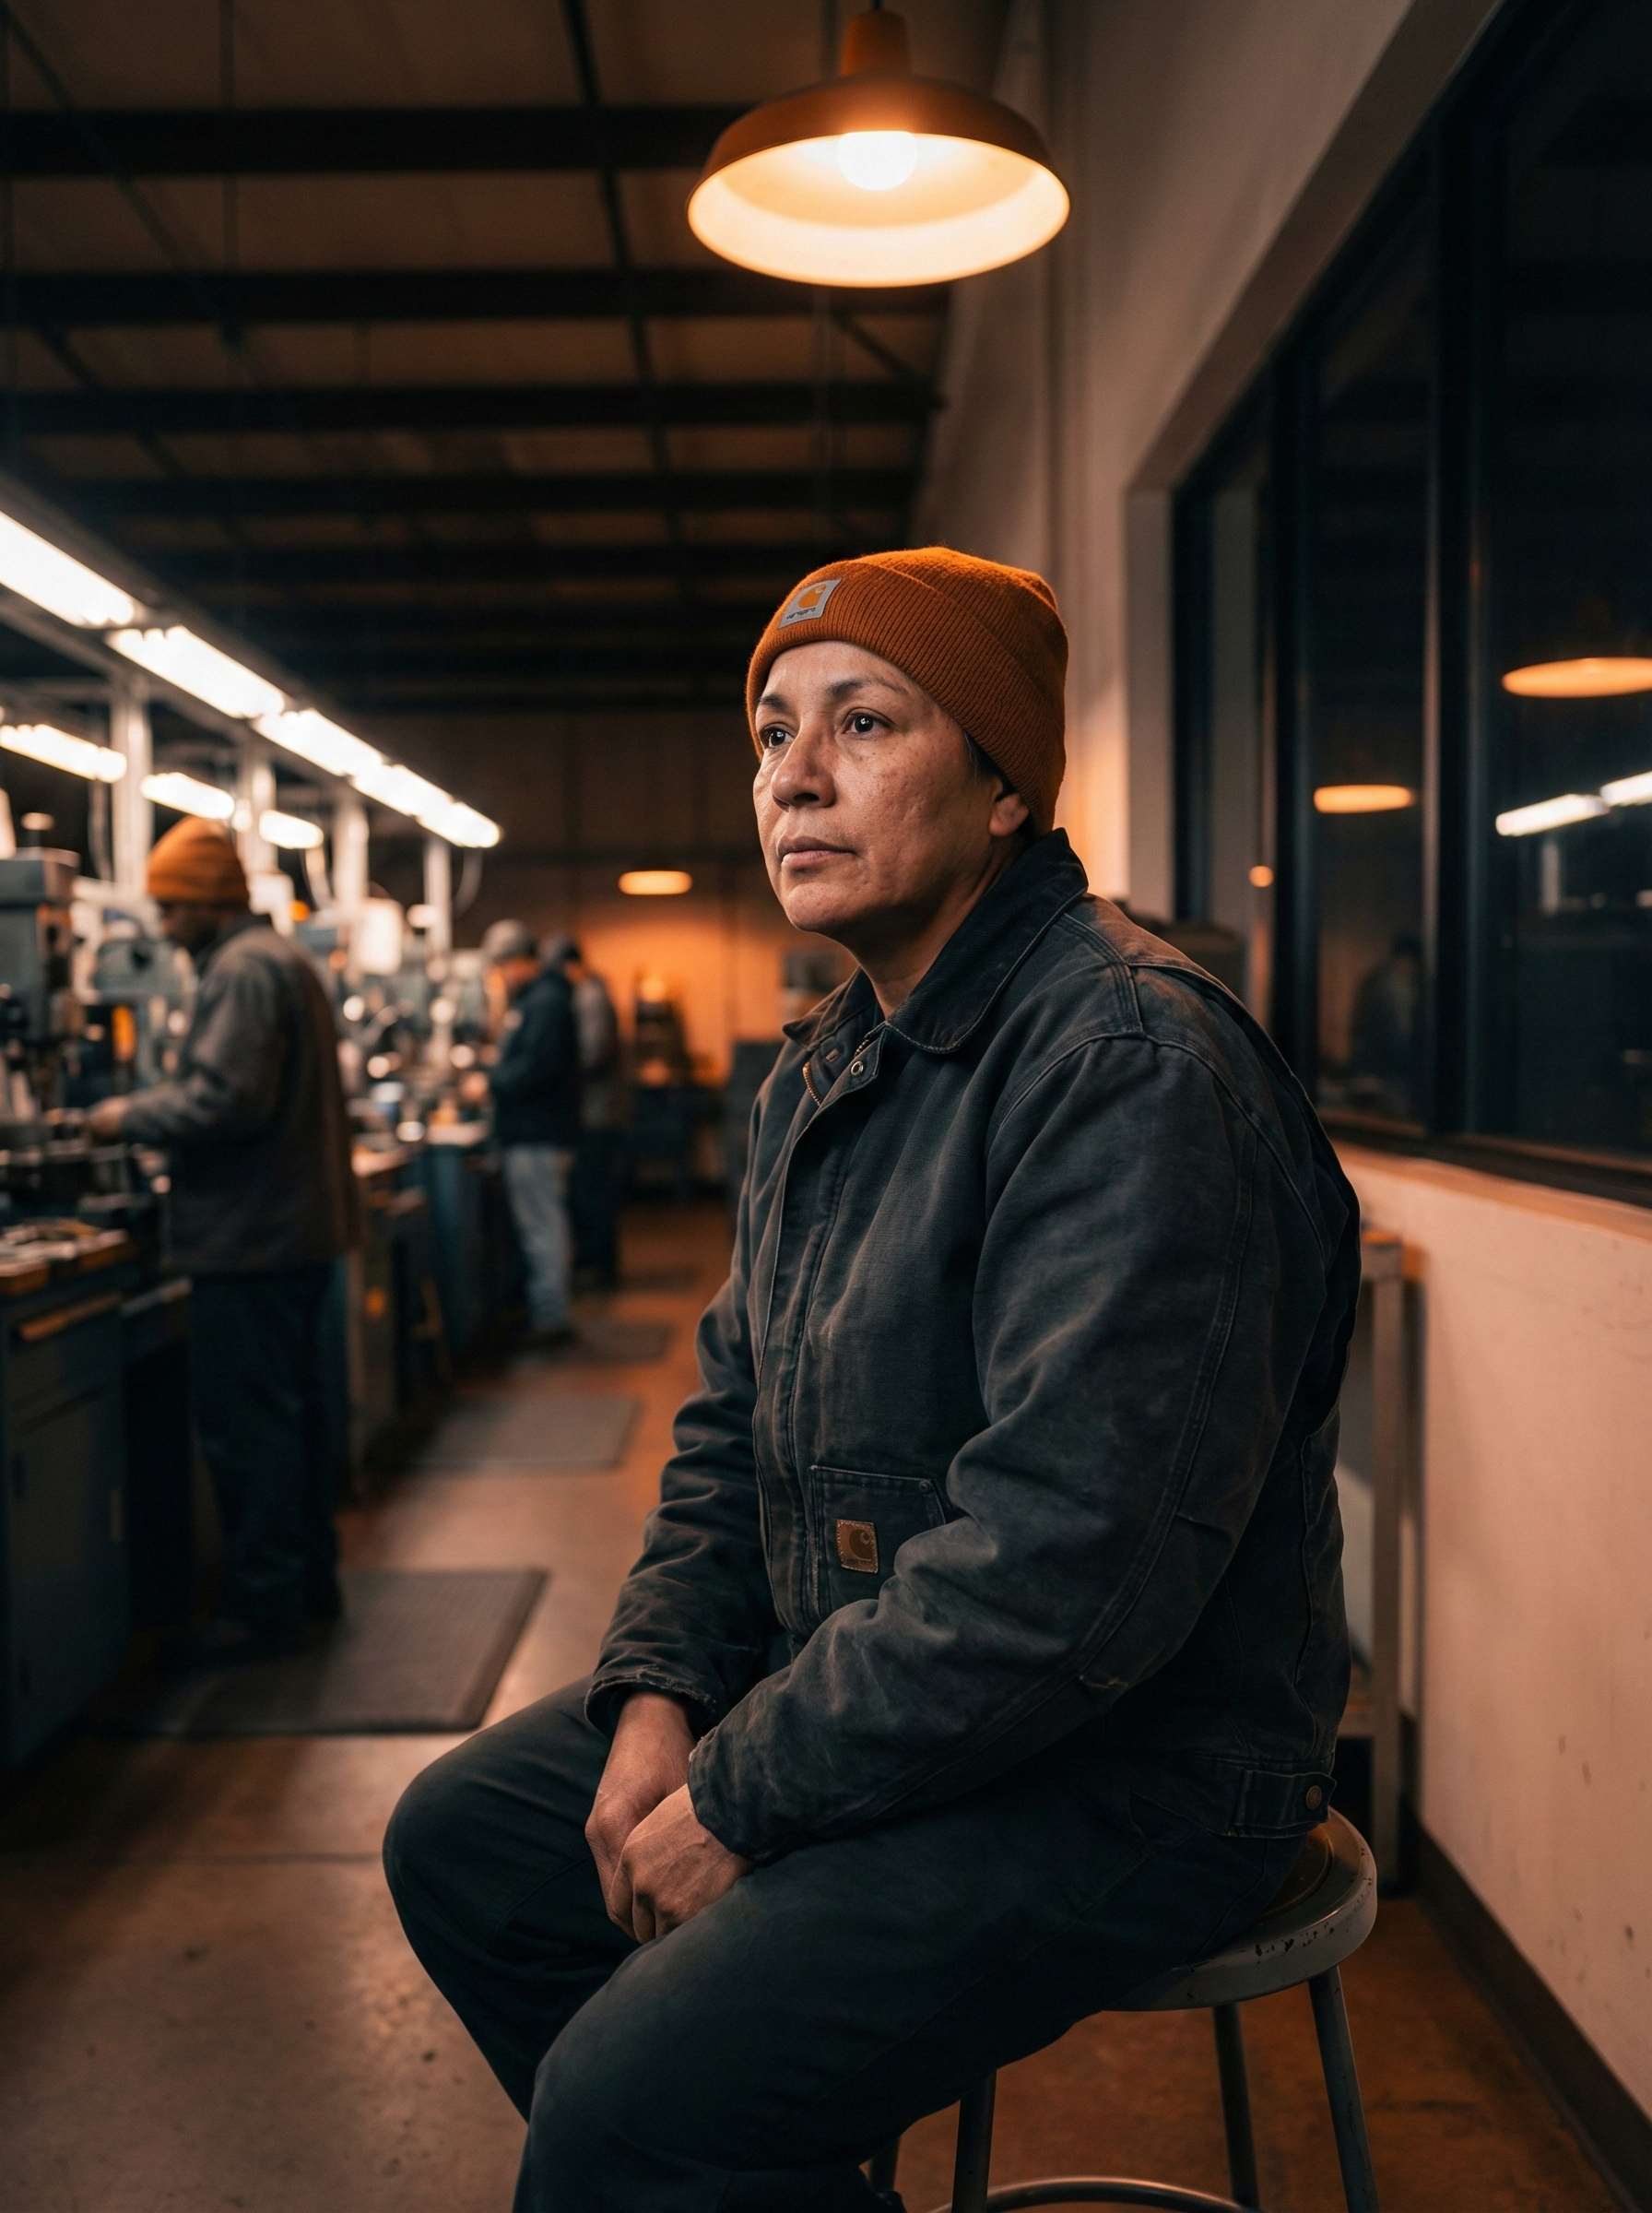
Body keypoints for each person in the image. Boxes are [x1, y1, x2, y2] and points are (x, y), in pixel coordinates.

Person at [385, 550, 1361, 2213]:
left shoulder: (1127, 1065)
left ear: (998, 787)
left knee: (626, 2109)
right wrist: (654, 1703)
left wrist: (742, 1795)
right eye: (772, 732)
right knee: (469, 1846)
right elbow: (726, 1438)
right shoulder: (831, 1065)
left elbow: (1072, 1571)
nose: (795, 776)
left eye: (865, 724)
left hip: (1147, 1761)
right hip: (876, 1681)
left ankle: (690, 2144)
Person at [88, 816, 357, 1663]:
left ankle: (262, 1610)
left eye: (171, 909)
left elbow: (223, 1099)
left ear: (206, 899)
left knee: (251, 1435)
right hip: (293, 1233)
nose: (164, 928)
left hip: (250, 1241)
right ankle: (309, 1584)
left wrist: (120, 1115)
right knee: (297, 1421)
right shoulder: (282, 961)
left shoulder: (241, 971)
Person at [478, 919, 581, 1346]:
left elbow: (538, 1069)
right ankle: (544, 1309)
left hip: (537, 1133)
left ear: (520, 962)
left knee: (543, 1226)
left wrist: (490, 1082)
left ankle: (551, 1318)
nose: (500, 977)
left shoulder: (545, 1003)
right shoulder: (538, 1001)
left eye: (503, 967)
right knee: (542, 1223)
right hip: (533, 1132)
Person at [544, 933, 626, 1289]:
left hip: (599, 1114)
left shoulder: (590, 997)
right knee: (593, 1190)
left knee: (594, 1191)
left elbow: (595, 1053)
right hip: (597, 1112)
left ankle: (599, 1267)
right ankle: (597, 1263)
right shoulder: (591, 994)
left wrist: (561, 1071)